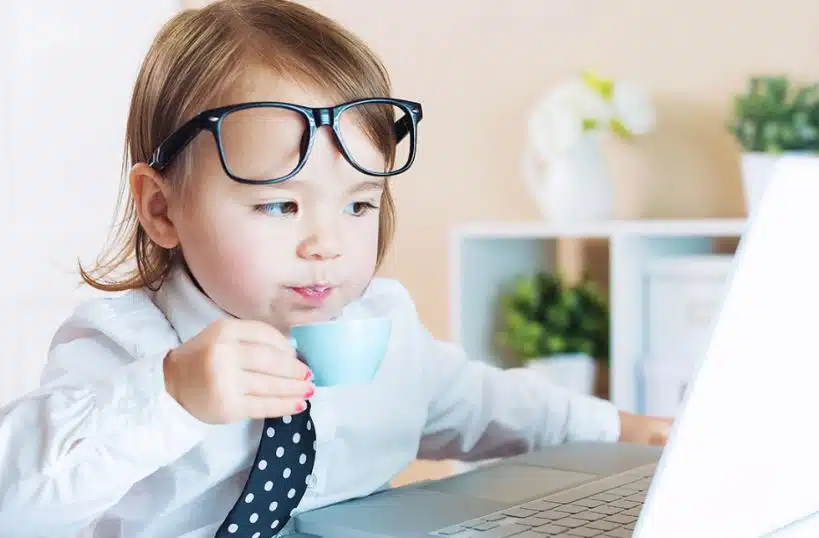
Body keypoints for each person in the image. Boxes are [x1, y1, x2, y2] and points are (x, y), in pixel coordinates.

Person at [0, 1, 673, 537]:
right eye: (279, 203)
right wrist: (169, 396)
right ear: (162, 208)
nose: (325, 242)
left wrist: (618, 430)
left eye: (358, 204)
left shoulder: (382, 326)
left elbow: (484, 406)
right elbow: (16, 502)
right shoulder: (123, 344)